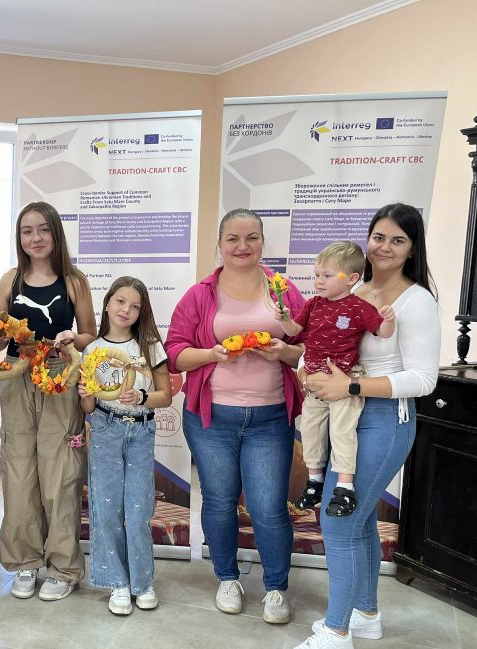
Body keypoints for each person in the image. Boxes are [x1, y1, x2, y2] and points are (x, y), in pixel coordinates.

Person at [287, 203, 440, 649]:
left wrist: (351, 386)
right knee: (362, 521)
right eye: (379, 236)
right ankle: (365, 614)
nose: (385, 247)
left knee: (339, 521)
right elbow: (319, 343)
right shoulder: (352, 290)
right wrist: (305, 369)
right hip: (340, 411)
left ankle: (336, 633)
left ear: (412, 248)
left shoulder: (415, 301)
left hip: (383, 419)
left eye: (398, 240)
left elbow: (423, 379)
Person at [165, 208, 305, 623]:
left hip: (271, 418)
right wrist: (212, 354)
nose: (242, 246)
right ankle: (227, 578)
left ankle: (276, 588)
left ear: (262, 242)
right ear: (220, 244)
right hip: (212, 420)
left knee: (269, 507)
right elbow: (174, 354)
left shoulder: (283, 290)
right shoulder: (200, 295)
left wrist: (284, 352)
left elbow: (310, 348)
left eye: (252, 237)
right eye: (233, 238)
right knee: (220, 501)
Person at [0, 201, 96, 601]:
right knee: (18, 469)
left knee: (61, 473)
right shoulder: (10, 279)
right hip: (17, 374)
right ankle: (25, 561)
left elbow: (89, 335)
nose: (35, 238)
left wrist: (73, 338)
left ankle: (63, 567)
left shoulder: (74, 281)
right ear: (19, 237)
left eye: (43, 230)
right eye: (27, 231)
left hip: (60, 375)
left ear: (56, 233)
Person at [277, 241, 395, 517]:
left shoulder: (358, 307)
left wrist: (389, 320)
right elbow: (294, 330)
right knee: (310, 430)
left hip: (344, 383)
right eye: (317, 275)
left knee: (342, 432)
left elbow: (383, 332)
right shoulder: (313, 304)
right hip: (315, 384)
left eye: (327, 276)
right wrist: (284, 319)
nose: (319, 281)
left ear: (351, 279)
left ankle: (345, 487)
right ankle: (315, 481)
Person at [77, 277, 171, 615]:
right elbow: (88, 407)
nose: (126, 310)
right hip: (105, 429)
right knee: (106, 508)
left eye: (134, 306)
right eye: (120, 301)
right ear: (107, 304)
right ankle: (116, 581)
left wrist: (142, 397)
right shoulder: (92, 351)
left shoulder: (150, 347)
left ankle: (142, 582)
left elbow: (166, 395)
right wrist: (86, 395)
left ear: (141, 312)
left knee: (138, 509)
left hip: (140, 431)